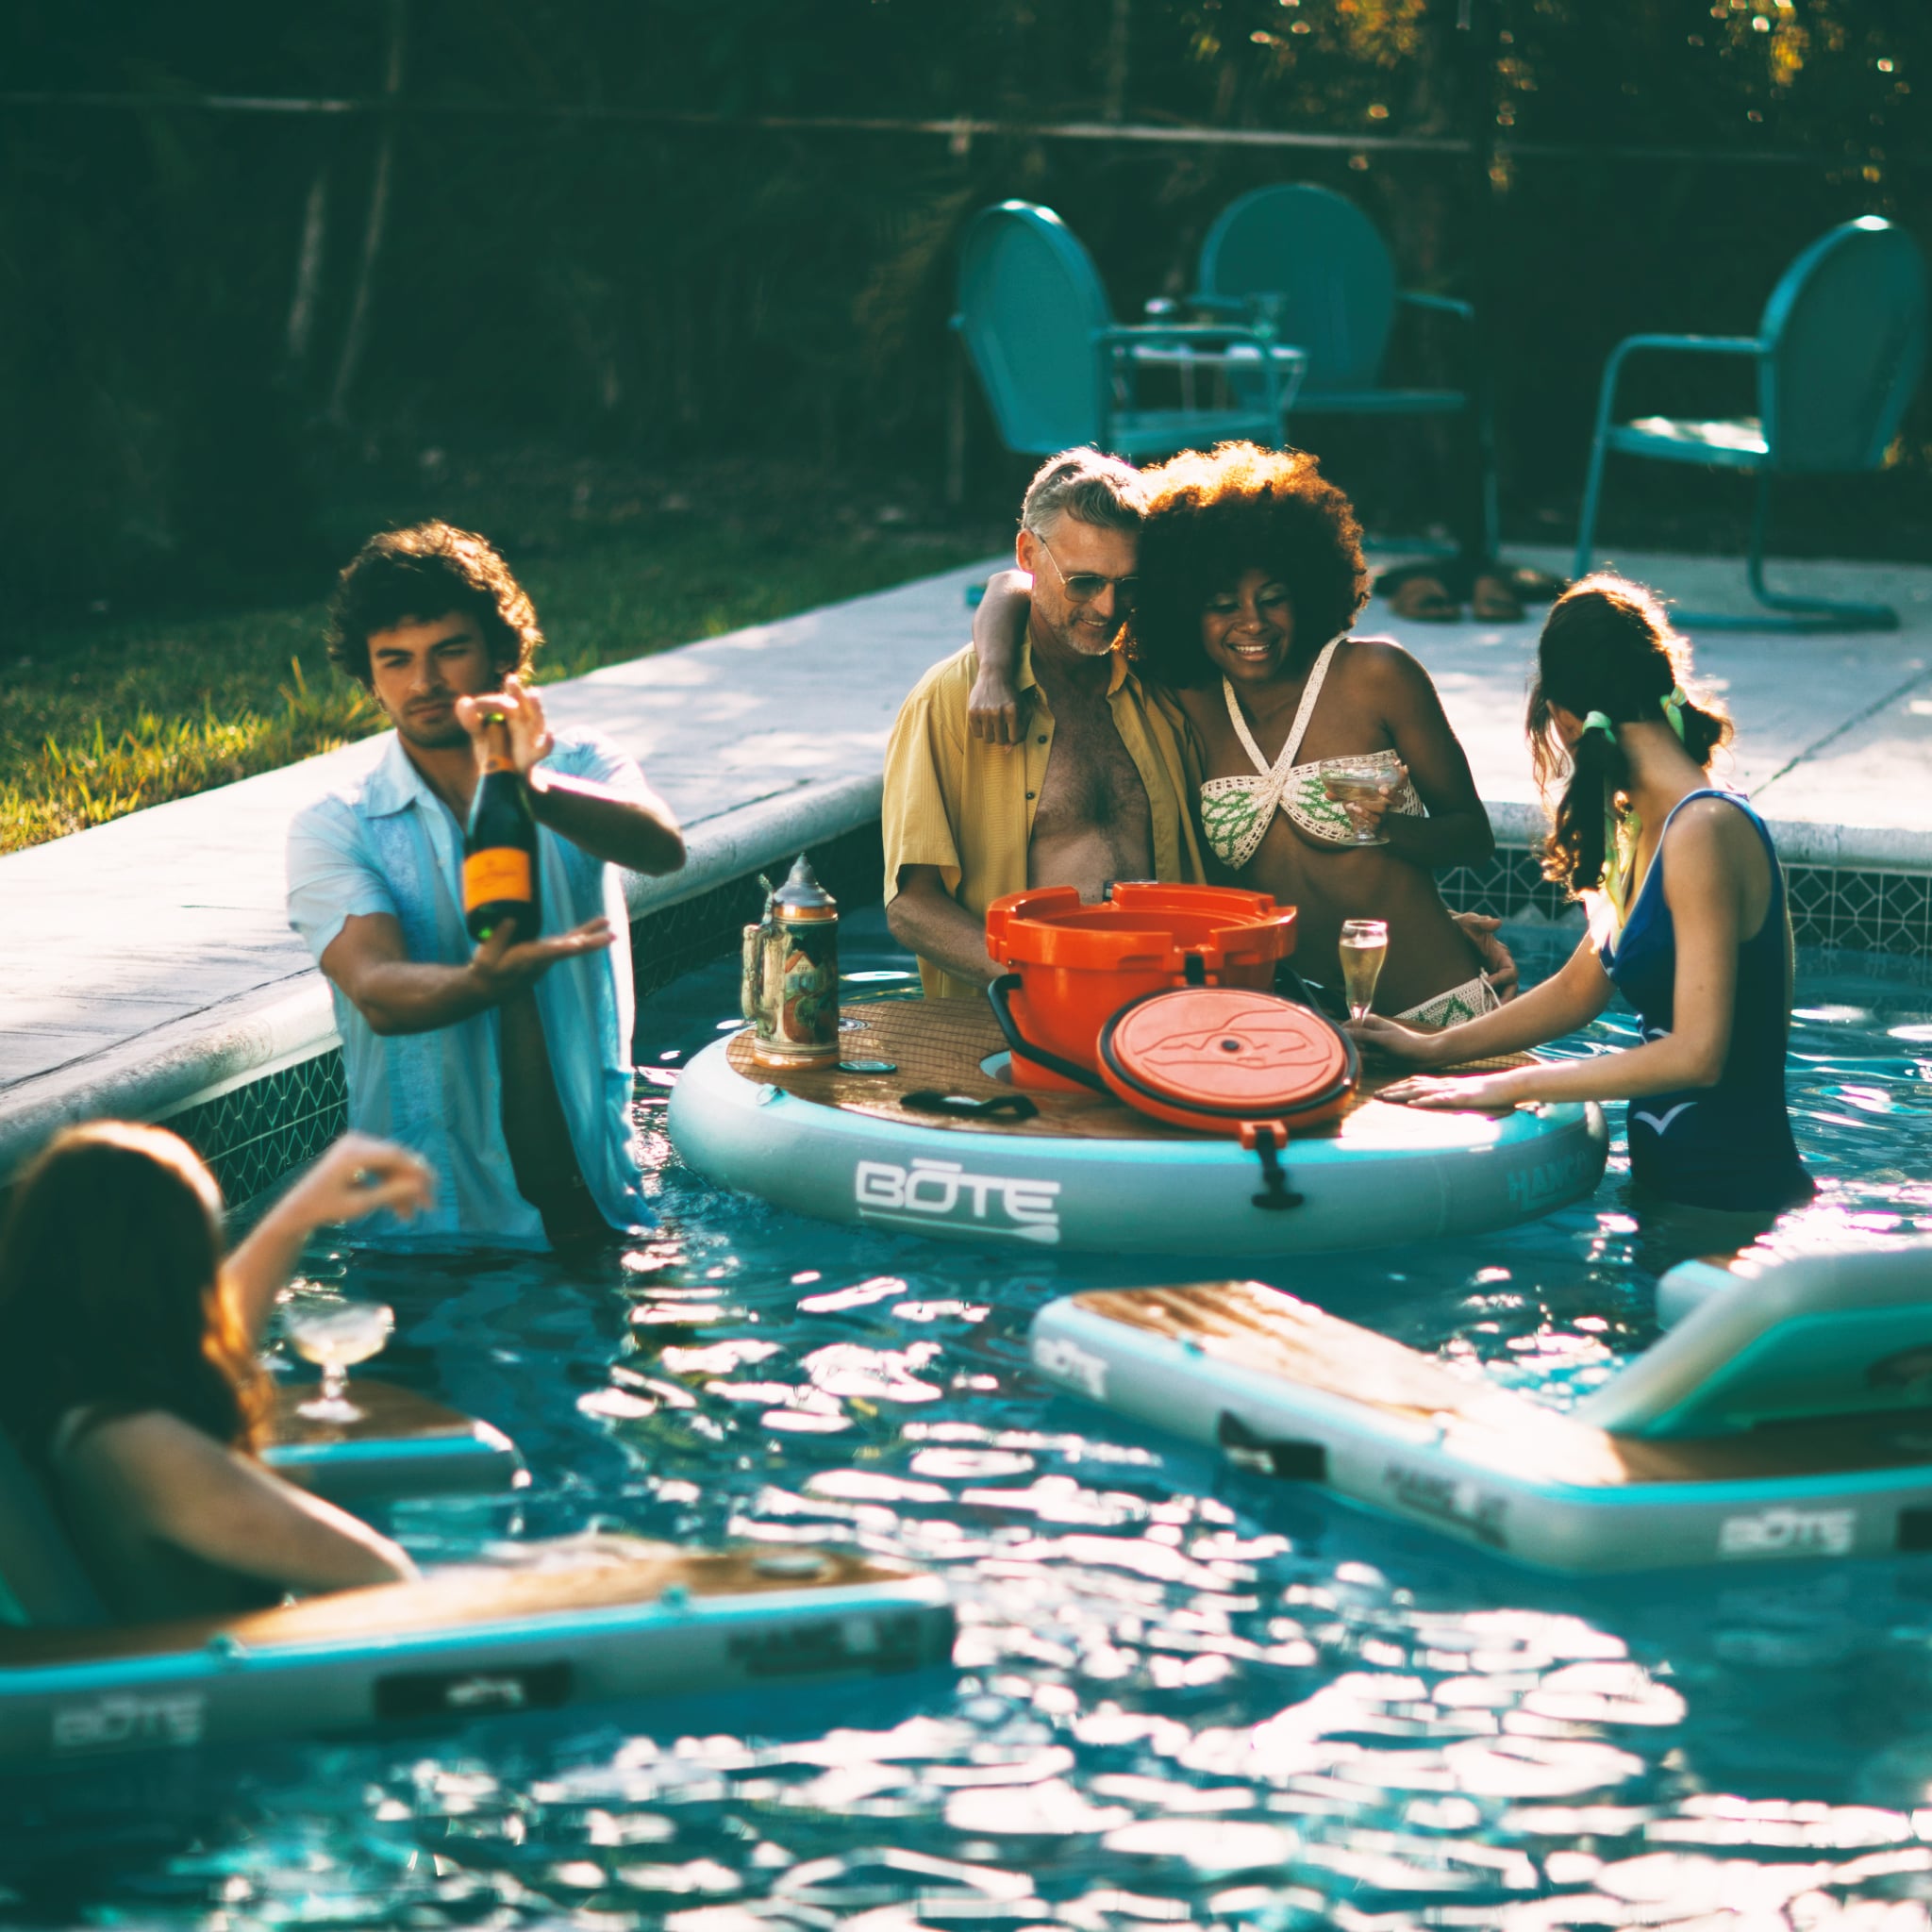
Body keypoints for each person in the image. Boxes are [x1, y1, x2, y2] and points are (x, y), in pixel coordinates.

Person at [969, 442, 1511, 1024]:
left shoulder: (1374, 676)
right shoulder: (1189, 703)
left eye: (1273, 599)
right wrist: (994, 668)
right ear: (1185, 609)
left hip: (1440, 1013)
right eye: (1224, 605)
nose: (1252, 623)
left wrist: (1389, 831)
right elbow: (1017, 583)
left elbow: (1474, 839)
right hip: (1297, 1021)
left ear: (1307, 590)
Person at [1351, 574, 1814, 1216]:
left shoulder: (1705, 829)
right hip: (1667, 1191)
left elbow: (1699, 1054)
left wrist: (1519, 1083)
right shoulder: (1635, 827)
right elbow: (1580, 988)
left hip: (1734, 1199)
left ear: (1564, 718)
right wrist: (1434, 1048)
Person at [288, 523, 686, 1249]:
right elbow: (375, 990)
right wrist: (484, 982)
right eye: (395, 661)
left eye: (449, 650)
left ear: (502, 655)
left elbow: (663, 849)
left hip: (597, 1201)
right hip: (428, 1233)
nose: (424, 682)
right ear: (370, 678)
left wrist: (534, 787)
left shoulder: (581, 765)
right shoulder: (339, 825)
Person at [0, 1123, 431, 1622]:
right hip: (231, 1687)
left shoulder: (54, 1393)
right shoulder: (140, 1445)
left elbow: (211, 1344)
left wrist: (296, 1218)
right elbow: (381, 1574)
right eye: (205, 1251)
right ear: (168, 1277)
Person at [882, 448, 1206, 998]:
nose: (1107, 609)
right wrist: (1031, 982)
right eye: (1083, 583)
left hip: (1159, 1011)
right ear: (1029, 554)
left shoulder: (1157, 691)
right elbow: (912, 908)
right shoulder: (948, 700)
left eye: (1127, 585)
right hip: (1016, 1022)